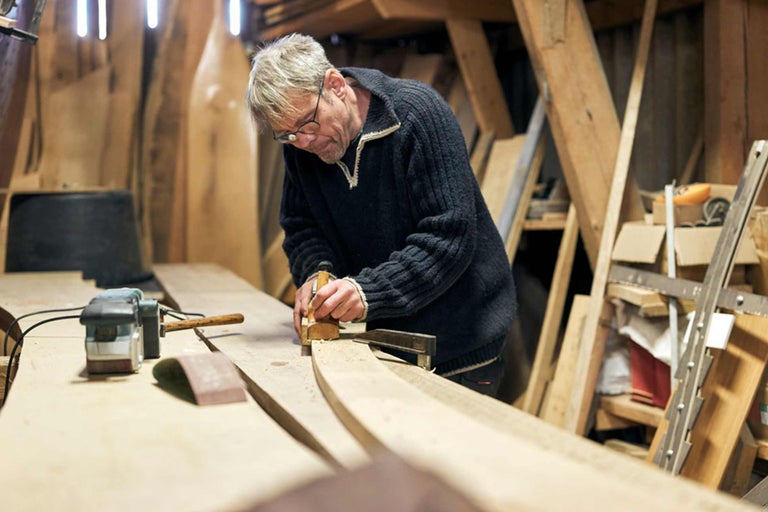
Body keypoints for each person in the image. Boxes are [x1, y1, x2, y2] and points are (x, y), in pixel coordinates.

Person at [246, 33, 517, 397]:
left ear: (336, 85)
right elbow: (301, 225)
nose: (303, 142)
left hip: (460, 342)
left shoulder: (417, 116)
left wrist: (367, 291)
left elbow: (448, 237)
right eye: (287, 135)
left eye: (307, 125)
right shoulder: (302, 146)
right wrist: (316, 274)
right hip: (388, 341)